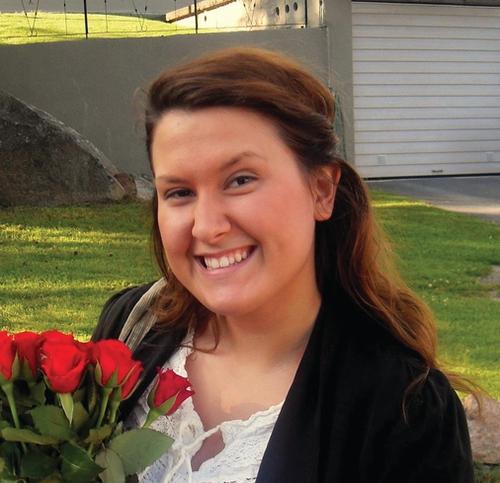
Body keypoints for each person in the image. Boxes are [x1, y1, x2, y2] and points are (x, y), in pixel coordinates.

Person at [92, 47, 474, 482]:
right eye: (179, 191)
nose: (208, 226)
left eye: (240, 180)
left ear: (322, 190)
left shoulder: (405, 410)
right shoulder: (130, 327)